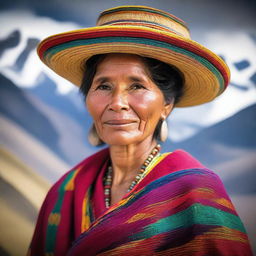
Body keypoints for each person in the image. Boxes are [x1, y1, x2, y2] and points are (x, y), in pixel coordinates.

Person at [28, 5, 253, 256]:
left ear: (167, 104)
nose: (117, 102)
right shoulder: (66, 191)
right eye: (103, 86)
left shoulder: (194, 192)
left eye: (136, 86)